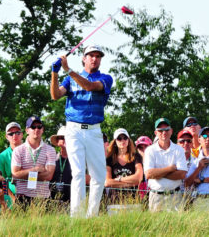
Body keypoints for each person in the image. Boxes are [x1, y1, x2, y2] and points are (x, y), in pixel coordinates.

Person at [50, 45, 113, 217]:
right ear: (84, 58)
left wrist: (68, 69)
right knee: (77, 173)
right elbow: (55, 95)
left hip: (94, 131)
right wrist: (55, 73)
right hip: (73, 130)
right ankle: (76, 217)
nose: (94, 59)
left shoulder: (106, 78)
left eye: (98, 56)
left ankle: (91, 216)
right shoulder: (70, 80)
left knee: (99, 176)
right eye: (91, 55)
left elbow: (89, 87)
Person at [144, 118, 187, 212]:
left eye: (167, 129)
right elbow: (149, 174)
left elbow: (182, 174)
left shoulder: (178, 149)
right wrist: (170, 168)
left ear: (171, 131)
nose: (164, 132)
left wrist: (158, 173)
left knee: (177, 226)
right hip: (156, 196)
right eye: (160, 130)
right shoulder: (150, 150)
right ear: (156, 133)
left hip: (175, 196)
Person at [11, 116, 56, 205]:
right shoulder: (18, 150)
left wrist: (24, 174)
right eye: (33, 127)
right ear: (27, 130)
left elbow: (49, 176)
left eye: (39, 127)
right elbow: (15, 174)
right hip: (22, 197)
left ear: (42, 129)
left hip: (43, 197)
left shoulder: (50, 150)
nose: (37, 129)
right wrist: (35, 170)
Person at [105, 128, 143, 203]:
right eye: (119, 138)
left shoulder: (136, 156)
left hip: (133, 200)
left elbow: (139, 178)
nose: (123, 141)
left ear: (128, 140)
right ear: (115, 141)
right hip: (114, 201)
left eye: (125, 138)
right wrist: (131, 182)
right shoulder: (109, 159)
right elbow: (107, 182)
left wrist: (118, 179)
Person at [0, 122, 23, 196]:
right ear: (6, 136)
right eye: (11, 134)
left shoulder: (30, 151)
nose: (14, 135)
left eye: (17, 132)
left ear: (22, 134)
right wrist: (12, 198)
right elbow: (1, 180)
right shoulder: (2, 156)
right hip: (11, 195)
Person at [49, 126, 72, 203]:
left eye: (65, 138)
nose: (62, 140)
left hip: (70, 200)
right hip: (53, 199)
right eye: (60, 138)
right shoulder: (52, 158)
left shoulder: (76, 160)